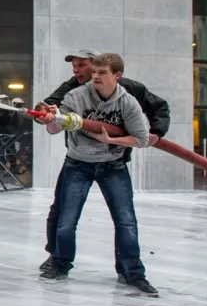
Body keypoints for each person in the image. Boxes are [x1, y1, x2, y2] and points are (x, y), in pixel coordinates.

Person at [38, 49, 170, 282]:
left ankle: (131, 272)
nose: (78, 71)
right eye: (75, 67)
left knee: (125, 220)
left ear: (114, 74)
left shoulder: (129, 94)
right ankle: (58, 260)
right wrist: (48, 116)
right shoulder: (73, 92)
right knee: (63, 216)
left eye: (84, 66)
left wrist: (154, 134)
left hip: (113, 163)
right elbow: (52, 115)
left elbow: (151, 120)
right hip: (78, 162)